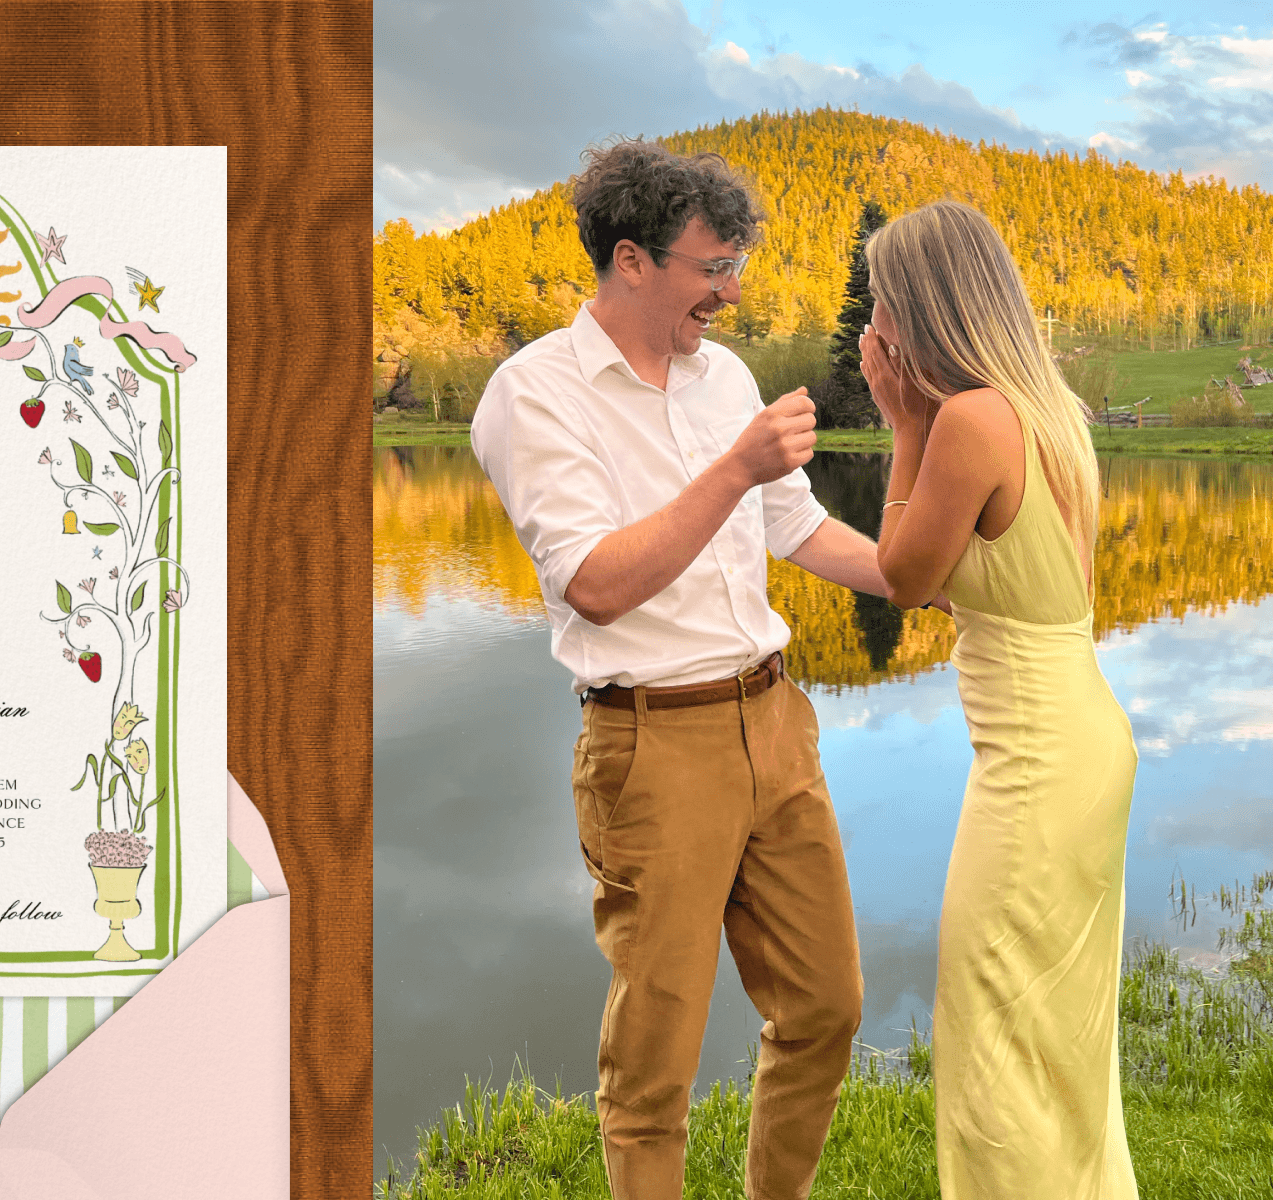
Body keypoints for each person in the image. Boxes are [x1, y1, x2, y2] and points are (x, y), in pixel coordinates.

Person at [471, 139, 905, 1200]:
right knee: (655, 1062)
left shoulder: (726, 380)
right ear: (631, 259)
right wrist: (737, 467)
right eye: (713, 266)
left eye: (736, 263)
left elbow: (797, 529)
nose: (732, 288)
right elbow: (597, 583)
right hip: (650, 746)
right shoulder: (534, 396)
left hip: (775, 722)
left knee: (826, 1006)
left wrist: (927, 574)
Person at [859, 199, 1138, 1198]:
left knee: (993, 1033)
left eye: (886, 300)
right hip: (1082, 739)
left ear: (924, 310)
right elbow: (951, 574)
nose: (875, 325)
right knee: (1057, 1033)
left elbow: (900, 575)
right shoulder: (1044, 409)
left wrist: (901, 421)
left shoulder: (970, 422)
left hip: (1034, 770)